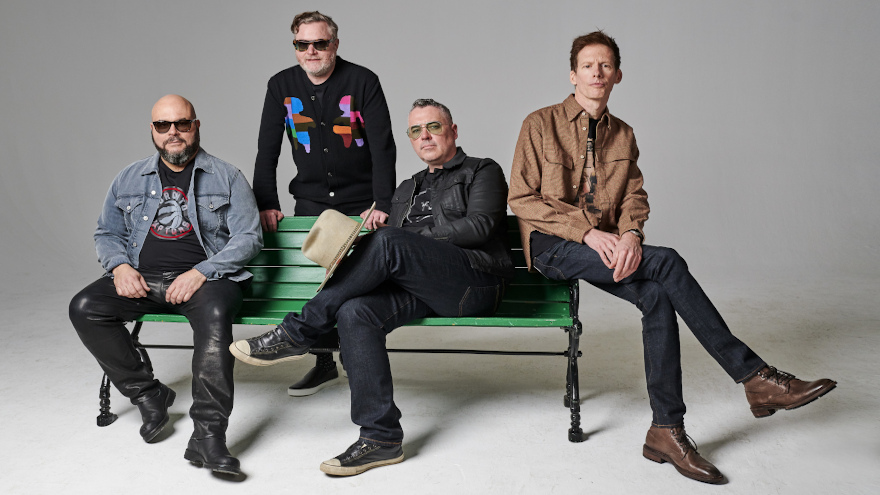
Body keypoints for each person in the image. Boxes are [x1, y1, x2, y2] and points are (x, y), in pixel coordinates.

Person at [507, 31, 837, 484]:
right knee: (667, 262)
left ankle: (666, 430)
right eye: (587, 66)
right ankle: (754, 377)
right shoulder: (539, 123)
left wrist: (630, 234)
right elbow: (522, 199)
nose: (597, 73)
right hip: (553, 246)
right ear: (572, 75)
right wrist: (587, 233)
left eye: (605, 66)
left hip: (607, 245)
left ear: (617, 75)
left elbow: (634, 195)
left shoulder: (624, 135)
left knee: (657, 297)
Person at [230, 99, 513, 476]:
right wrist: (368, 241)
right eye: (416, 131)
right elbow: (393, 250)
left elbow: (480, 226)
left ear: (453, 131)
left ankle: (298, 331)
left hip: (474, 283)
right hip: (424, 287)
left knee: (390, 242)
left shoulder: (482, 170)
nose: (425, 136)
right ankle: (381, 438)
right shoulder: (407, 187)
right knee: (355, 312)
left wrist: (405, 238)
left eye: (433, 127)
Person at [69, 95, 262, 476]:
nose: (173, 132)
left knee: (216, 315)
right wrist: (120, 266)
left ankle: (208, 436)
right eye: (163, 125)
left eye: (182, 124)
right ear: (153, 130)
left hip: (208, 281)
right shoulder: (129, 178)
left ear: (196, 126)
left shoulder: (227, 176)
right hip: (142, 280)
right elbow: (107, 232)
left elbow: (249, 238)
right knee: (85, 307)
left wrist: (202, 271)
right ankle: (148, 393)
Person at [252, 11, 396, 396]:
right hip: (311, 201)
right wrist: (266, 202)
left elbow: (383, 147)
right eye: (303, 44)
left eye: (320, 43)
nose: (311, 51)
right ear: (295, 47)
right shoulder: (280, 86)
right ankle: (323, 362)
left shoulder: (363, 81)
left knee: (358, 281)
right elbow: (267, 151)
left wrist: (383, 202)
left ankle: (357, 355)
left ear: (335, 44)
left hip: (362, 202)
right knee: (315, 284)